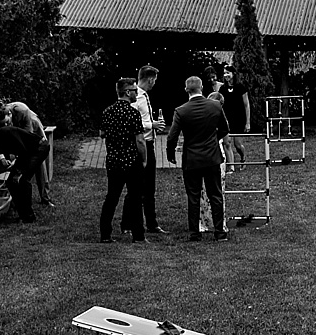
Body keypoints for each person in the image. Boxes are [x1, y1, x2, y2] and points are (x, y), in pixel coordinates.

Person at [166, 76, 231, 241]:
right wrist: (213, 140)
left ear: (186, 90)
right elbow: (225, 129)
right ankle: (219, 231)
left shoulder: (181, 111)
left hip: (192, 158)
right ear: (202, 88)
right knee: (215, 194)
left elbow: (172, 137)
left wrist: (170, 154)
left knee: (193, 196)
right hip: (211, 156)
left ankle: (195, 233)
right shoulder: (215, 106)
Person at [99, 78, 147, 242]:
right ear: (127, 92)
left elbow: (102, 133)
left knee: (111, 197)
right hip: (131, 160)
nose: (136, 92)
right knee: (135, 197)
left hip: (113, 159)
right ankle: (138, 235)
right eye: (134, 90)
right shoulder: (133, 113)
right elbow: (140, 140)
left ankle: (105, 234)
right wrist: (144, 159)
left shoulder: (107, 111)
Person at [0, 107, 39, 224]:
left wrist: (17, 167)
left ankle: (28, 216)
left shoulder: (5, 132)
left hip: (36, 149)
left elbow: (24, 150)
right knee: (12, 181)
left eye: (7, 122)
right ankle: (23, 214)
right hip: (25, 151)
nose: (6, 124)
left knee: (21, 180)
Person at [132, 65, 165, 234]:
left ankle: (151, 222)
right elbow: (133, 121)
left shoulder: (144, 96)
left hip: (149, 142)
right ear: (150, 79)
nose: (154, 84)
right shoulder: (136, 96)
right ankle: (135, 222)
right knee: (140, 186)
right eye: (154, 81)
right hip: (141, 144)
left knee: (148, 186)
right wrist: (151, 125)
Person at [4, 101, 54, 207]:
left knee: (39, 163)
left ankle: (45, 198)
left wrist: (18, 160)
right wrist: (3, 156)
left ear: (10, 115)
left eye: (7, 123)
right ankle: (15, 198)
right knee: (17, 168)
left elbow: (28, 141)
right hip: (21, 132)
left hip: (34, 131)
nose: (6, 125)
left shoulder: (22, 111)